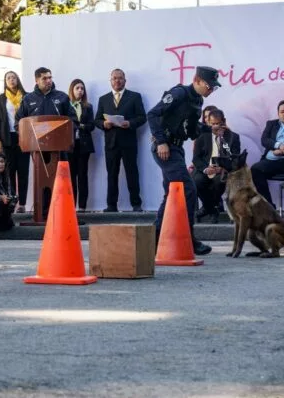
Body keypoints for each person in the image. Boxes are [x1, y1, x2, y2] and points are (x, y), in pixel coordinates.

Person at [147, 66, 221, 256]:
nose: (211, 90)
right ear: (197, 80)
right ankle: (189, 238)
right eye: (209, 86)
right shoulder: (179, 93)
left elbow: (192, 130)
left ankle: (154, 237)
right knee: (188, 189)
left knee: (171, 193)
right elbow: (153, 114)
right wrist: (161, 141)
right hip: (165, 148)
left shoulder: (198, 100)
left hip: (177, 149)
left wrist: (209, 129)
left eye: (214, 87)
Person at [14, 67, 77, 219]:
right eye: (44, 78)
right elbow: (18, 123)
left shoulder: (62, 97)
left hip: (58, 147)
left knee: (60, 179)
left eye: (50, 77)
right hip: (38, 149)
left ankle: (61, 212)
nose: (48, 81)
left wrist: (65, 131)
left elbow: (73, 120)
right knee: (42, 179)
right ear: (36, 80)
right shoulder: (28, 99)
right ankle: (42, 213)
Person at [94, 68, 147, 212]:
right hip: (111, 143)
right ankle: (111, 205)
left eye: (120, 78)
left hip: (128, 142)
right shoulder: (103, 99)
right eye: (114, 78)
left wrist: (130, 123)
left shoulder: (135, 97)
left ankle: (136, 204)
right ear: (110, 81)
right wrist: (103, 124)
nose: (117, 80)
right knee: (111, 174)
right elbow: (97, 120)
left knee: (132, 173)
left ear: (125, 80)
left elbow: (142, 117)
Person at [193, 109, 240, 224]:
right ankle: (212, 209)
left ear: (223, 122)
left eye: (218, 123)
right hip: (205, 168)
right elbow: (196, 158)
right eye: (212, 124)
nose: (215, 127)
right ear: (208, 123)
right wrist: (205, 169)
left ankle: (207, 209)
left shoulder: (233, 137)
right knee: (196, 181)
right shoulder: (202, 136)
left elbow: (235, 158)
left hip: (222, 170)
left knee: (219, 182)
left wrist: (223, 168)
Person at [0, 71, 30, 213]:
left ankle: (23, 204)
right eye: (8, 78)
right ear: (5, 81)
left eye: (13, 77)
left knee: (23, 171)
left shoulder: (26, 96)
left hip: (24, 137)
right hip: (7, 138)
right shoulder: (1, 98)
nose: (11, 80)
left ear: (17, 79)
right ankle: (13, 202)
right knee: (9, 172)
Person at [250, 100, 284, 206]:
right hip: (272, 160)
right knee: (256, 169)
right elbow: (264, 140)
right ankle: (268, 205)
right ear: (278, 114)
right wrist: (278, 146)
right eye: (282, 112)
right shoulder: (271, 124)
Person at [68, 79, 95, 211]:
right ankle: (71, 206)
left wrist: (81, 126)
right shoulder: (66, 106)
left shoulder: (88, 106)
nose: (80, 91)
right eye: (77, 88)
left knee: (82, 175)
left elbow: (91, 125)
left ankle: (83, 206)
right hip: (70, 145)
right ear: (72, 90)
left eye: (82, 88)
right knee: (71, 176)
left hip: (84, 144)